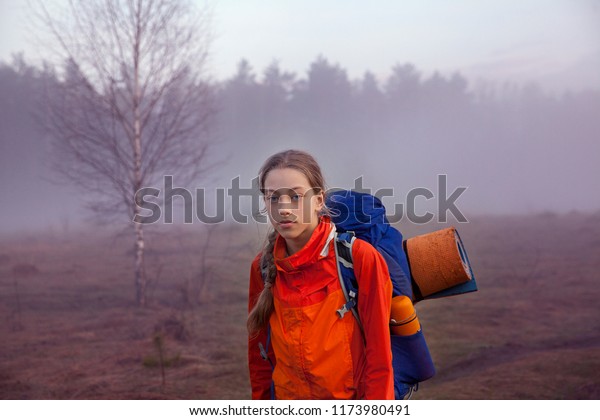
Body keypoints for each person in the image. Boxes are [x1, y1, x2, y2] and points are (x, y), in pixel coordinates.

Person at [247, 149, 394, 400]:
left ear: (318, 200)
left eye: (295, 196)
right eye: (273, 198)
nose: (283, 209)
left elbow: (380, 357)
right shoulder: (262, 267)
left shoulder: (358, 258)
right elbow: (259, 358)